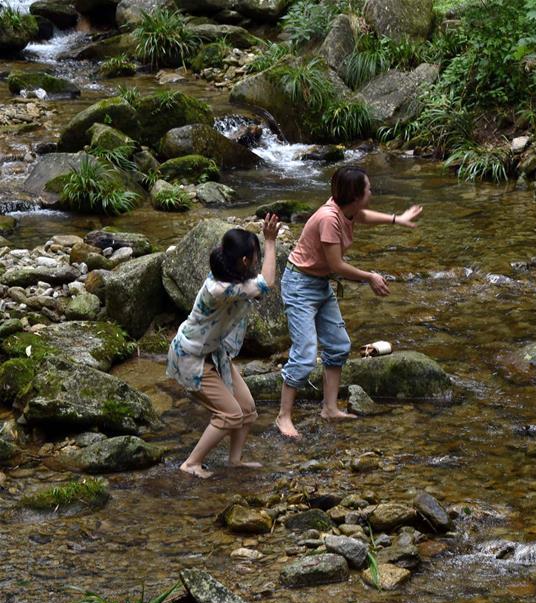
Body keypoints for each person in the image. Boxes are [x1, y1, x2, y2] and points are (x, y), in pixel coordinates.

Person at [276, 166, 423, 438]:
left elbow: (362, 216)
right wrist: (370, 277)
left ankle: (329, 409)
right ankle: (283, 417)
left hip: (319, 283)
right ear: (355, 195)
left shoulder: (347, 209)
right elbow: (336, 264)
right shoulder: (329, 218)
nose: (372, 191)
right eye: (368, 188)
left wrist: (397, 219)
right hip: (300, 286)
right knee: (306, 354)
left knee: (339, 345)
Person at [167, 214, 280, 478]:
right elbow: (267, 284)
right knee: (229, 414)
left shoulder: (226, 269)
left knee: (247, 409)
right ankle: (191, 463)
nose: (257, 260)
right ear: (243, 262)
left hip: (214, 354)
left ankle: (234, 461)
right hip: (192, 358)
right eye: (255, 256)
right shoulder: (222, 288)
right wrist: (271, 241)